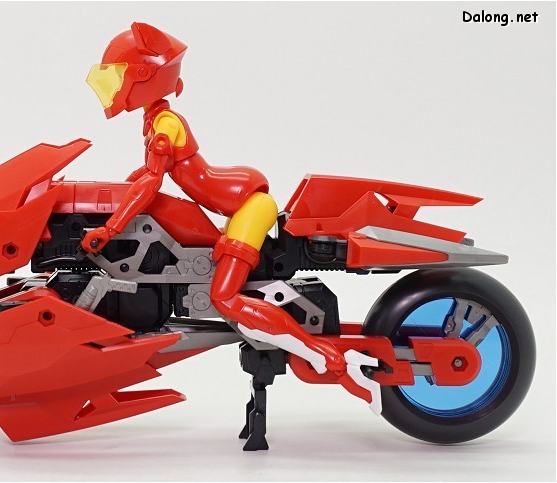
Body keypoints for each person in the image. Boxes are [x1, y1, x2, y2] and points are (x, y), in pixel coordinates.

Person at [82, 22, 381, 413]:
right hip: (239, 204)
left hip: (248, 208)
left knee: (225, 298)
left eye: (119, 75)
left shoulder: (166, 125)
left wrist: (111, 227)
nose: (114, 85)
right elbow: (146, 176)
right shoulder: (157, 119)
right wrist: (117, 197)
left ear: (144, 76)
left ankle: (327, 357)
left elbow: (152, 181)